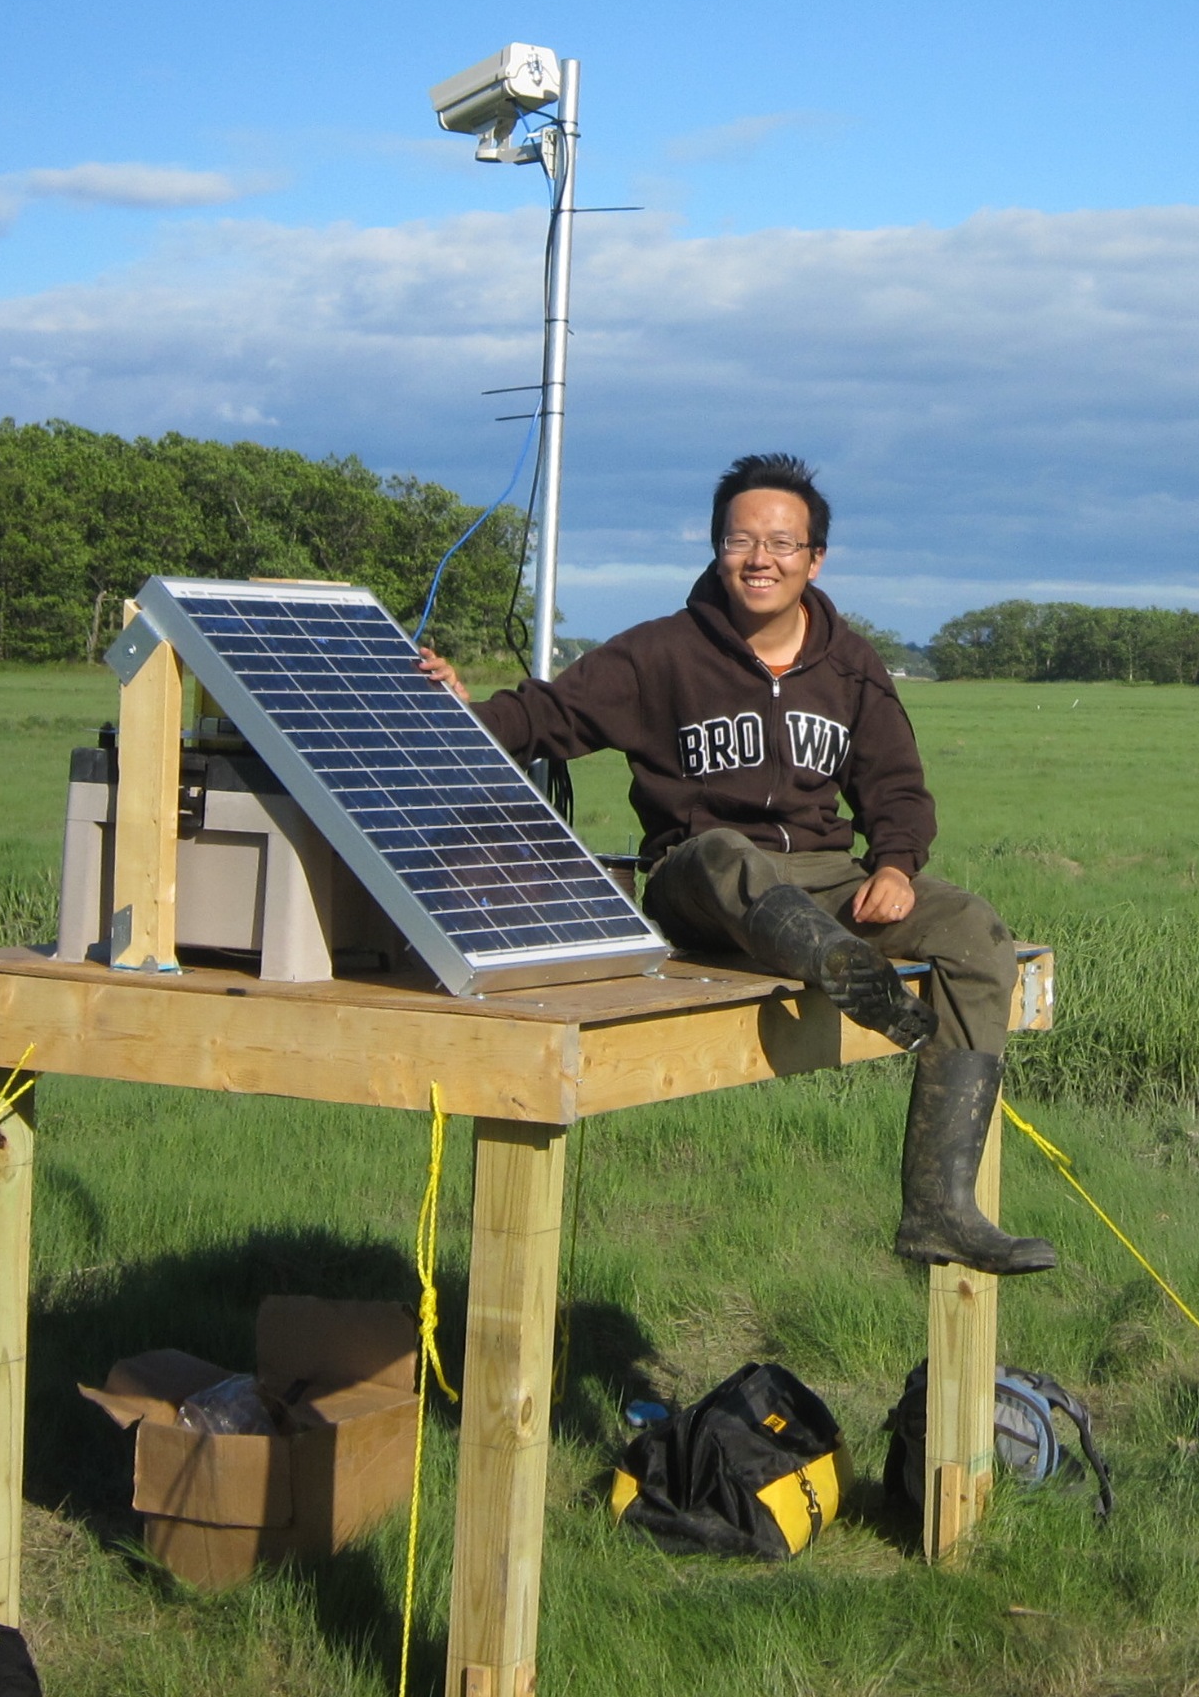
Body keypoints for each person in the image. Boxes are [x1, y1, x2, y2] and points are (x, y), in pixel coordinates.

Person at [419, 452, 1055, 1277]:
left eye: (782, 544)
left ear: (814, 558)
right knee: (722, 852)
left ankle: (938, 1209)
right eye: (740, 540)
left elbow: (895, 785)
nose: (760, 559)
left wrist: (894, 866)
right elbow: (546, 716)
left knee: (971, 927)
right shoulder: (659, 654)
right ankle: (835, 965)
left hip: (822, 881)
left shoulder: (852, 665)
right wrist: (458, 711)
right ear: (717, 548)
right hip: (701, 889)